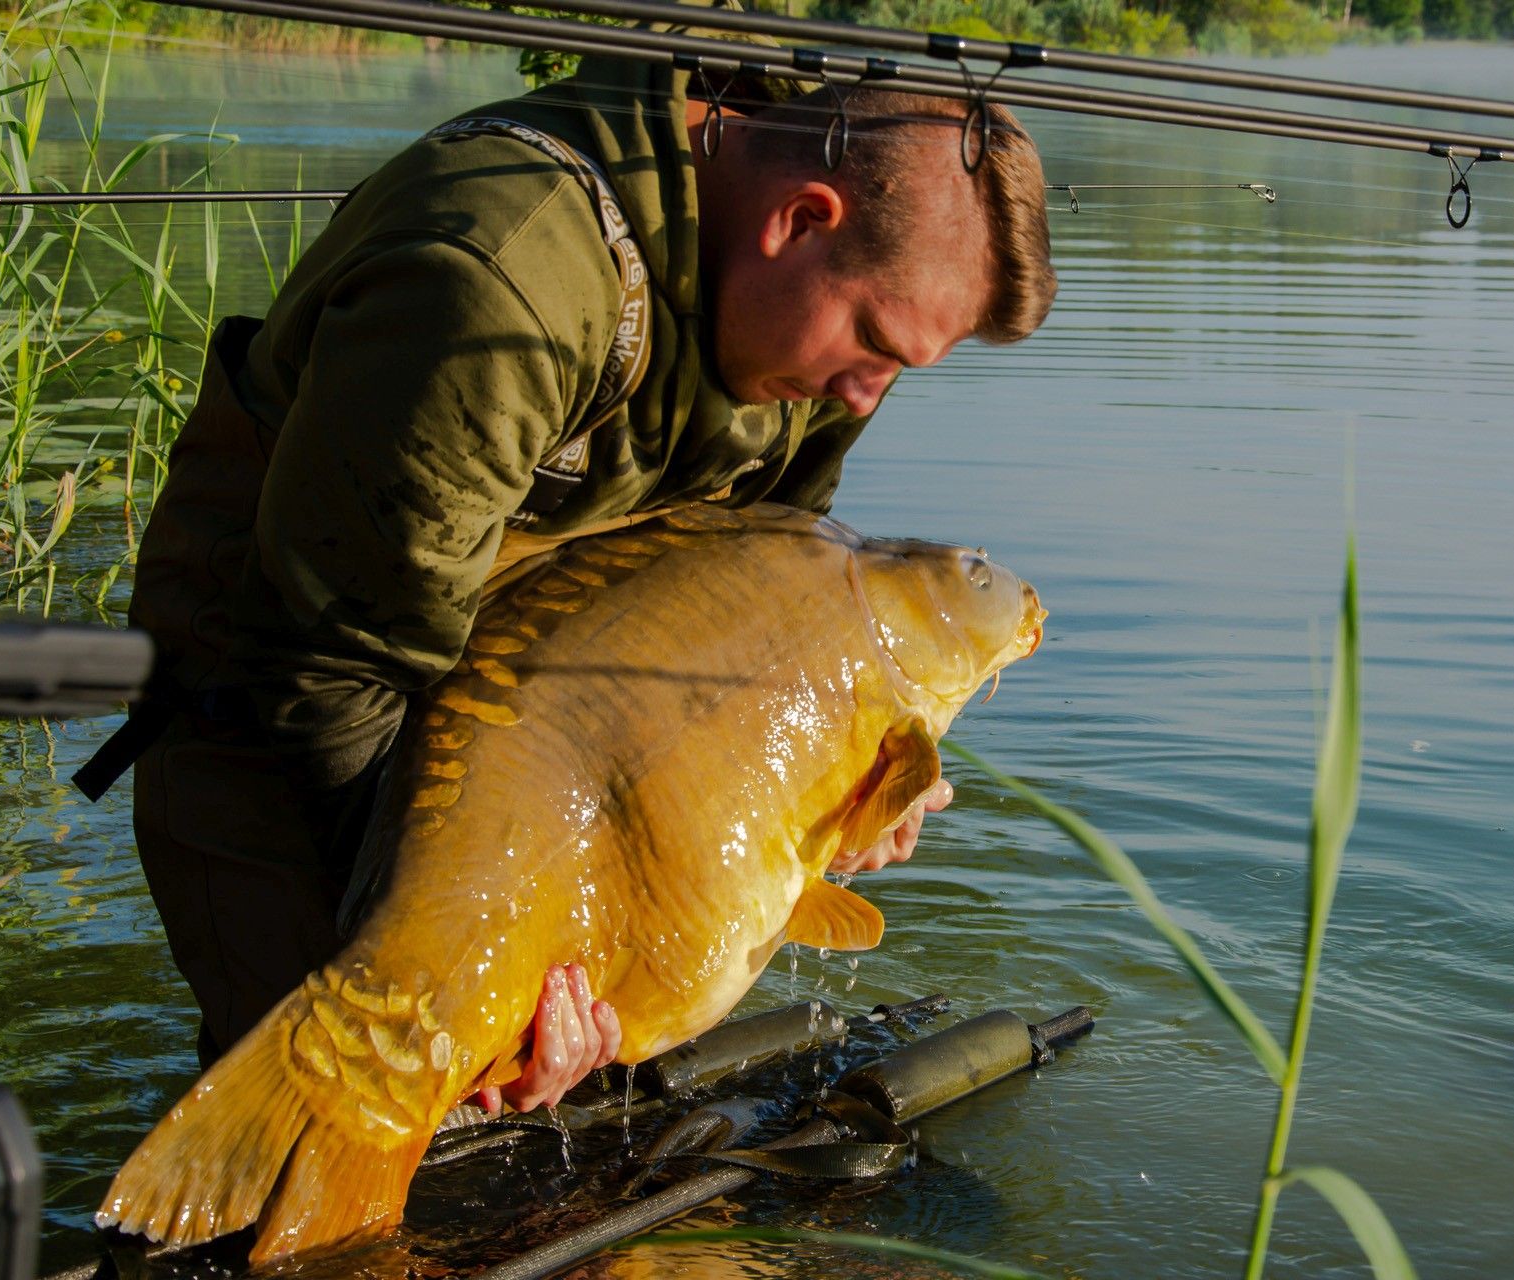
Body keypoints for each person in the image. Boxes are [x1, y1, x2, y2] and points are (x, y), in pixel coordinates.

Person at [92, 29, 1056, 1113]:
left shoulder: (799, 322)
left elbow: (763, 594)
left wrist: (833, 790)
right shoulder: (498, 283)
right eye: (874, 342)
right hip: (288, 699)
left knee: (577, 1111)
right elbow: (330, 679)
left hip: (558, 728)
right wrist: (477, 972)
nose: (865, 396)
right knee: (344, 1106)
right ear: (800, 220)